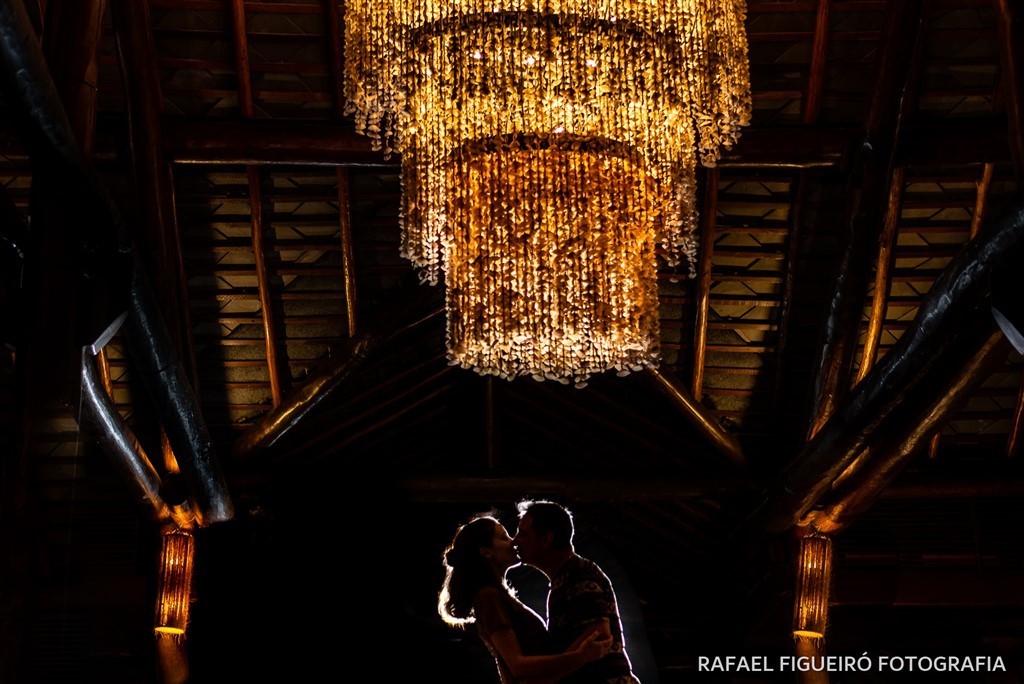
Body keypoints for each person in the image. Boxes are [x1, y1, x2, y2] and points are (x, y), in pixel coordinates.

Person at [439, 515, 612, 684]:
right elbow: (517, 665)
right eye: (503, 538)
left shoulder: (498, 596)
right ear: (485, 552)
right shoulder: (488, 597)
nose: (513, 542)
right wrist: (579, 657)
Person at [514, 500, 640, 684]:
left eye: (523, 534)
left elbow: (598, 634)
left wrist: (548, 678)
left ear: (546, 540)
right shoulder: (564, 579)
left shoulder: (579, 574)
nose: (516, 540)